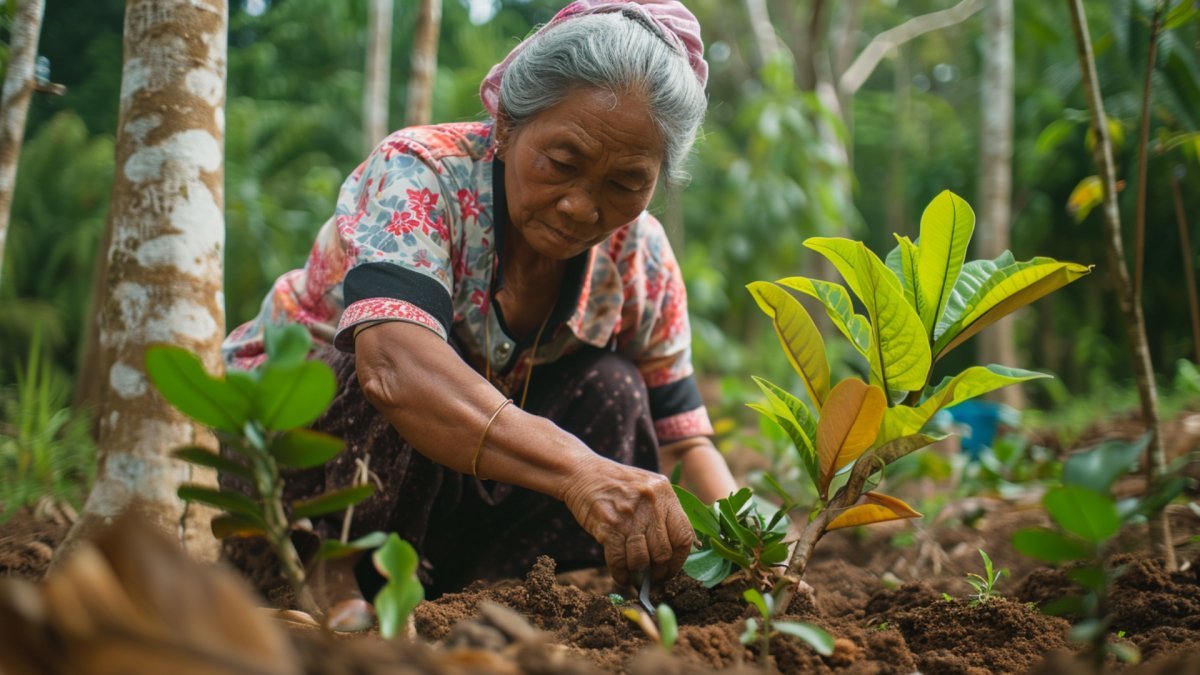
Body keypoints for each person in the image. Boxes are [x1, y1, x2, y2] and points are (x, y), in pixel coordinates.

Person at [221, 0, 737, 628]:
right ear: (507, 125)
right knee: (381, 355)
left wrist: (753, 555)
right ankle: (323, 574)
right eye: (562, 164)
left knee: (616, 390)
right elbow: (394, 370)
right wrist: (581, 472)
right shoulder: (422, 172)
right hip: (303, 472)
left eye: (626, 183)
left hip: (442, 498)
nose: (581, 206)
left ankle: (494, 590)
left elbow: (682, 437)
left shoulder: (639, 254)